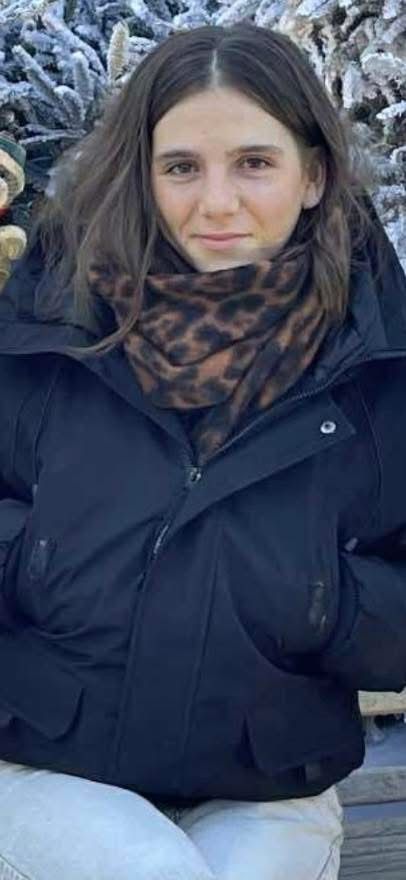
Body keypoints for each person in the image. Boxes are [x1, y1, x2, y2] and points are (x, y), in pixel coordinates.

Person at [0, 20, 405, 880]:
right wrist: (30, 554)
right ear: (143, 176)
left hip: (269, 782)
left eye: (254, 162)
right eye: (182, 167)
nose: (216, 203)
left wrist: (325, 600)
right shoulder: (47, 329)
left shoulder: (378, 367)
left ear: (312, 175)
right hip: (40, 759)